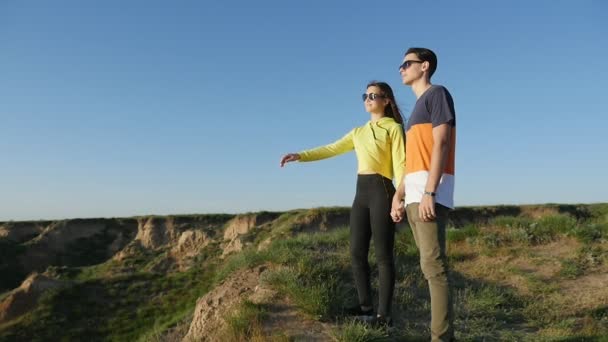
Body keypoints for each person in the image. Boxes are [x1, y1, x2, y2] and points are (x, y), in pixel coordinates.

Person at [280, 81, 406, 326]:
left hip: (383, 190)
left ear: (386, 100)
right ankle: (365, 306)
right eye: (365, 95)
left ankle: (383, 315)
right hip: (361, 194)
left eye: (373, 95)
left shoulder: (394, 128)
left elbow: (402, 164)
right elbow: (332, 148)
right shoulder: (358, 132)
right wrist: (301, 156)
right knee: (356, 252)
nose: (368, 99)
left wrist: (399, 198)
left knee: (383, 255)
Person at [391, 47, 456, 341]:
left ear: (424, 66)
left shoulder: (437, 94)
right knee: (427, 265)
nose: (401, 68)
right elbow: (415, 159)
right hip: (416, 194)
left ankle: (440, 337)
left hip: (430, 193)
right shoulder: (416, 108)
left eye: (407, 63)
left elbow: (441, 144)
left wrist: (431, 191)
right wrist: (399, 194)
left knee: (434, 266)